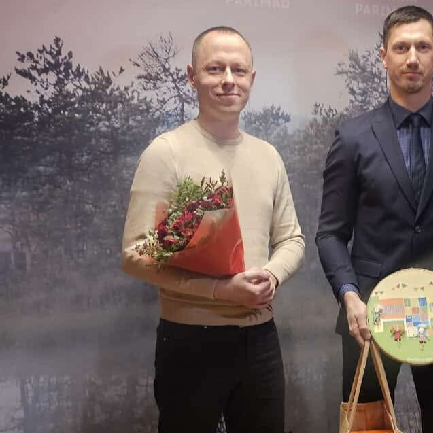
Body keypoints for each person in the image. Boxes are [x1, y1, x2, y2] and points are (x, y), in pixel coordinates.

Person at [315, 5, 433, 432]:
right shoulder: (352, 137)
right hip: (368, 316)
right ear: (383, 56)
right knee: (368, 428)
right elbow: (330, 233)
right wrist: (349, 296)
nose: (412, 58)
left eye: (422, 47)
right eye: (401, 48)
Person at [122, 26, 304, 433]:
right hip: (189, 341)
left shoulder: (268, 156)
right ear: (192, 76)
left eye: (238, 70)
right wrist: (221, 291)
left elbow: (292, 239)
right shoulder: (166, 153)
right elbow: (135, 255)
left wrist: (271, 275)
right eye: (214, 69)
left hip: (260, 338)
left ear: (252, 78)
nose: (228, 80)